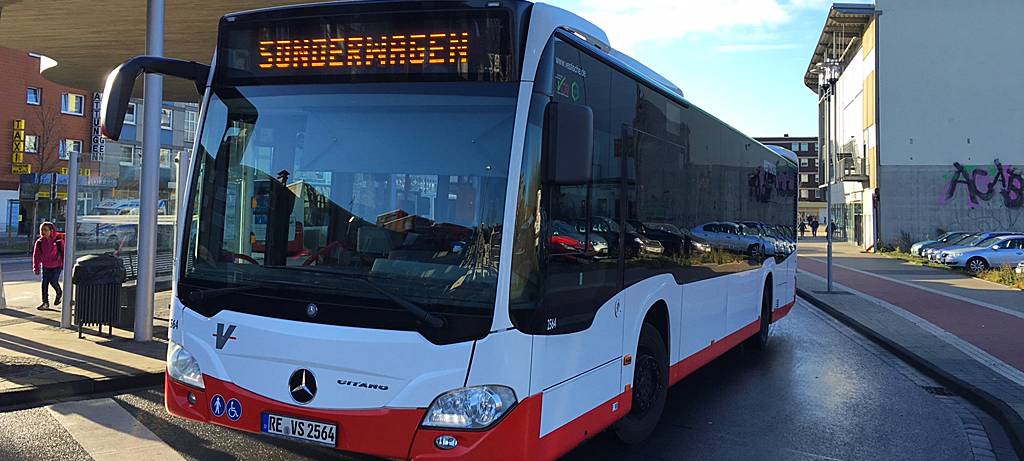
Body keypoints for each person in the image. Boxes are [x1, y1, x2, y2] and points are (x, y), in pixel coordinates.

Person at [32, 221, 64, 310]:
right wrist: (36, 267)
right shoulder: (39, 242)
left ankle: (59, 293)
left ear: (51, 231)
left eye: (45, 230)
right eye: (42, 230)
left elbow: (63, 252)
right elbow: (36, 255)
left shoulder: (58, 241)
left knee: (53, 281)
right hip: (45, 266)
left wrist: (63, 264)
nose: (43, 232)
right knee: (44, 284)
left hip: (56, 266)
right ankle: (45, 302)